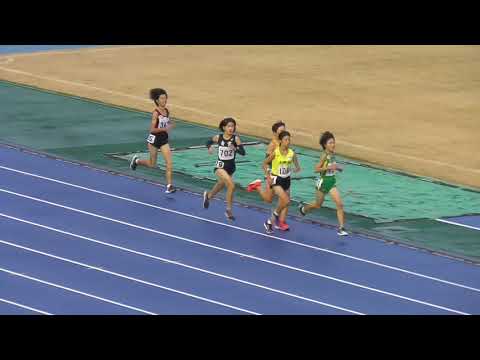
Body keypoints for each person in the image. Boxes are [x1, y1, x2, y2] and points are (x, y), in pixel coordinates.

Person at [247, 131, 300, 233]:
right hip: (276, 180)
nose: (288, 142)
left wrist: (295, 169)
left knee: (269, 199)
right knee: (286, 201)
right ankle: (275, 219)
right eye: (286, 140)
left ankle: (269, 222)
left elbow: (297, 167)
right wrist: (268, 176)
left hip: (287, 180)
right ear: (280, 141)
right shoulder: (276, 152)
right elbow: (264, 164)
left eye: (289, 140)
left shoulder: (292, 153)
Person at [298, 131, 348, 236]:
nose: (333, 144)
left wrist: (338, 168)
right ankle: (303, 209)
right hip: (323, 182)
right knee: (317, 205)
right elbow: (316, 169)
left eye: (333, 142)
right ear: (325, 145)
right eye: (330, 143)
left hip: (331, 182)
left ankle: (341, 228)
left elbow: (333, 167)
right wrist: (329, 167)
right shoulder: (324, 155)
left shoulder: (332, 154)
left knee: (340, 204)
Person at [130, 88, 176, 194]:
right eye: (162, 98)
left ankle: (169, 186)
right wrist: (165, 129)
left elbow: (167, 122)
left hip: (163, 140)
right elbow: (152, 129)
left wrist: (170, 125)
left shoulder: (167, 111)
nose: (165, 100)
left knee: (169, 162)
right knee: (152, 164)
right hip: (154, 139)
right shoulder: (155, 113)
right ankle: (136, 161)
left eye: (165, 98)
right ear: (157, 100)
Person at [202, 117, 246, 220]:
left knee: (220, 185)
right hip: (220, 166)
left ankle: (208, 196)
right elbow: (208, 141)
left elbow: (243, 153)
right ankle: (228, 210)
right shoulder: (219, 137)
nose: (231, 128)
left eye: (233, 126)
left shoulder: (236, 139)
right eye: (229, 126)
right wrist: (209, 147)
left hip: (231, 167)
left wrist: (235, 148)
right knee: (231, 185)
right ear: (224, 127)